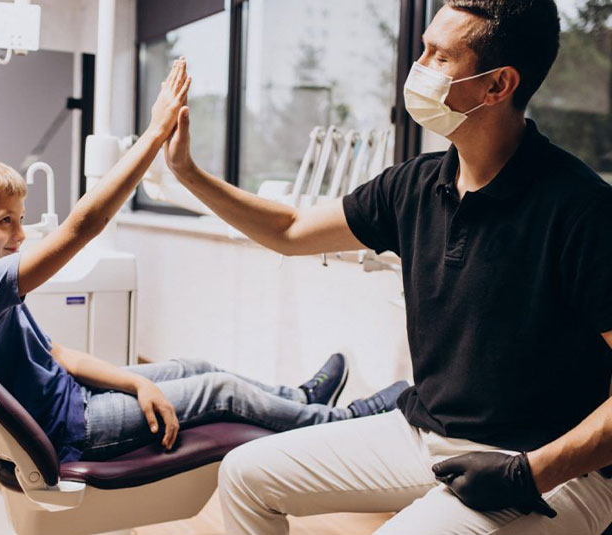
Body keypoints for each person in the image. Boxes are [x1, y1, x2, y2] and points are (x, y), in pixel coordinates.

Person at [163, 1, 612, 533]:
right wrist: (187, 173)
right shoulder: (414, 185)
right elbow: (288, 229)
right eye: (422, 48)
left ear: (498, 86)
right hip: (426, 435)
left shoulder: (580, 209)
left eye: (439, 57)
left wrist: (528, 473)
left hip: (554, 468)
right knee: (245, 474)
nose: (416, 67)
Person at [0, 59, 407, 464]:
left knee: (192, 365)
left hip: (74, 400)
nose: (20, 234)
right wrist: (155, 133)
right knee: (221, 391)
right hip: (73, 426)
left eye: (20, 219)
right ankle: (342, 422)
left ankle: (299, 401)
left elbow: (56, 355)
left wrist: (136, 381)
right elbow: (82, 226)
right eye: (4, 222)